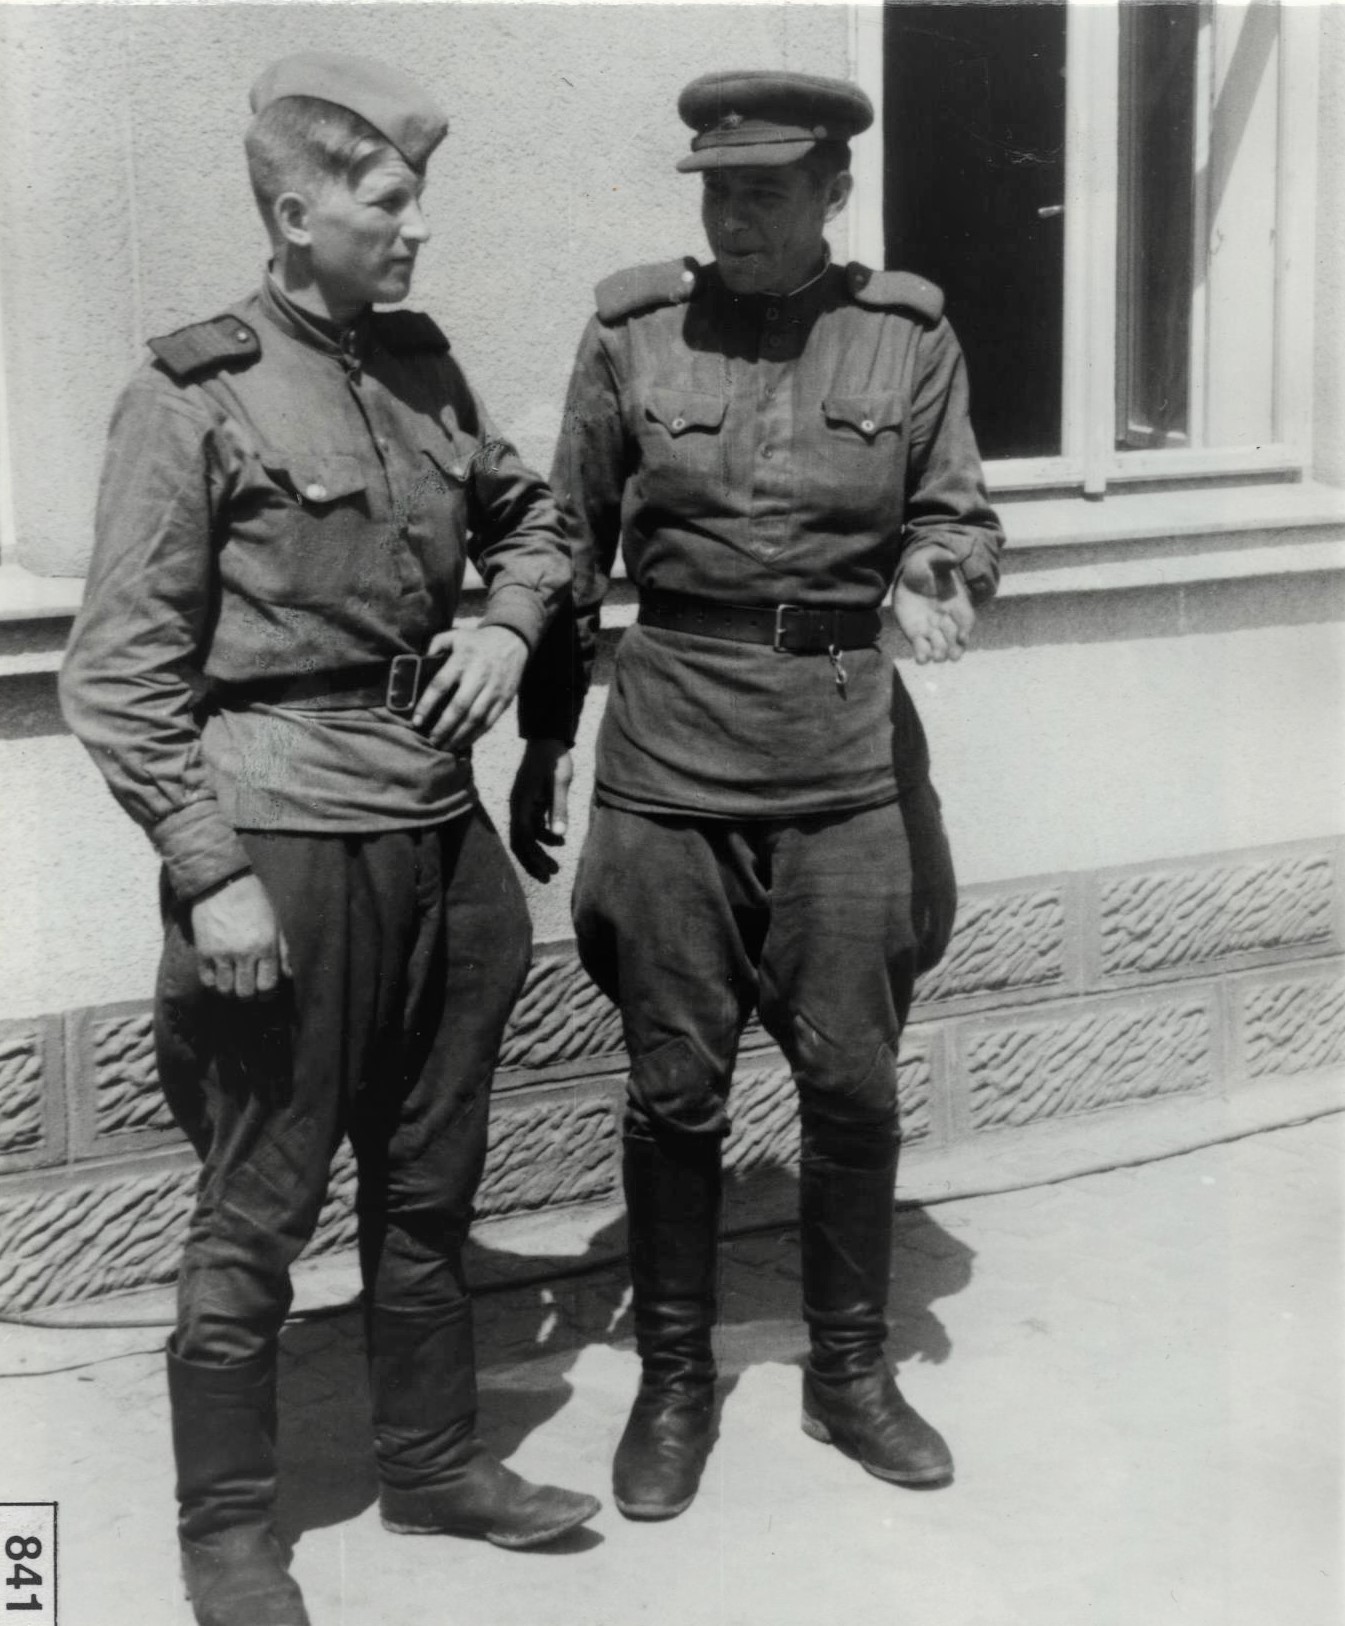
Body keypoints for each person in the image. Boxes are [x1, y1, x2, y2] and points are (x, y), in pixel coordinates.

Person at [60, 52, 598, 1626]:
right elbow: (119, 674)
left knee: (430, 1181)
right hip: (286, 840)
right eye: (388, 202)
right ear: (296, 214)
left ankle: (431, 1465)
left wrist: (504, 626)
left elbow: (538, 521)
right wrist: (210, 870)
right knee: (261, 1201)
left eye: (419, 200)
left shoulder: (421, 365)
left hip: (438, 837)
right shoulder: (193, 393)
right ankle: (228, 1536)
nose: (417, 229)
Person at [519, 69, 1005, 1522]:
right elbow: (562, 540)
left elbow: (956, 513)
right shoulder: (631, 334)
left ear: (833, 194)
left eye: (766, 194)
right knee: (675, 1088)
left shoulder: (905, 336)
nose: (735, 220)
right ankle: (675, 1381)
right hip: (670, 756)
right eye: (718, 193)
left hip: (843, 758)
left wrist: (937, 570)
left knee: (852, 1079)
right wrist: (545, 735)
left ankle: (848, 1372)